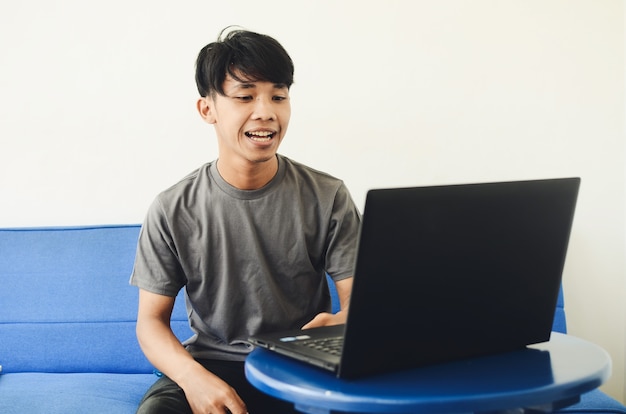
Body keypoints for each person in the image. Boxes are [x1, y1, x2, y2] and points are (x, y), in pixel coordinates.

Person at [130, 27, 361, 414]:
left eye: (279, 96)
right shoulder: (172, 208)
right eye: (245, 96)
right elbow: (150, 322)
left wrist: (341, 322)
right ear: (208, 109)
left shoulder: (328, 196)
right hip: (209, 365)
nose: (266, 112)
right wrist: (192, 379)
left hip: (301, 364)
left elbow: (360, 304)